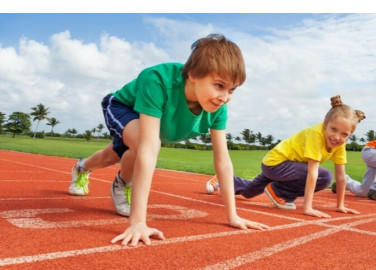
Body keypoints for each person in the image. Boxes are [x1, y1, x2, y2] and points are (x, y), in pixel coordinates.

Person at [68, 34, 269, 246]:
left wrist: (233, 216)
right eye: (219, 85)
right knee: (145, 146)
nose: (225, 97)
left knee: (112, 155)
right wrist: (138, 222)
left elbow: (223, 161)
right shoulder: (156, 80)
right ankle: (122, 184)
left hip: (149, 128)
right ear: (193, 74)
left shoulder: (218, 107)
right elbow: (147, 149)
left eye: (232, 90)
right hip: (122, 106)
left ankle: (82, 167)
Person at [207, 95, 365, 218]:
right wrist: (307, 208)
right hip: (277, 164)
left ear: (350, 134)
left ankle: (221, 181)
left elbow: (342, 176)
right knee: (324, 177)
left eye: (345, 134)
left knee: (249, 191)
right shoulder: (316, 134)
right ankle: (280, 192)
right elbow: (313, 172)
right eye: (334, 129)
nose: (337, 137)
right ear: (325, 123)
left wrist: (340, 205)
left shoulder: (339, 144)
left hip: (288, 168)